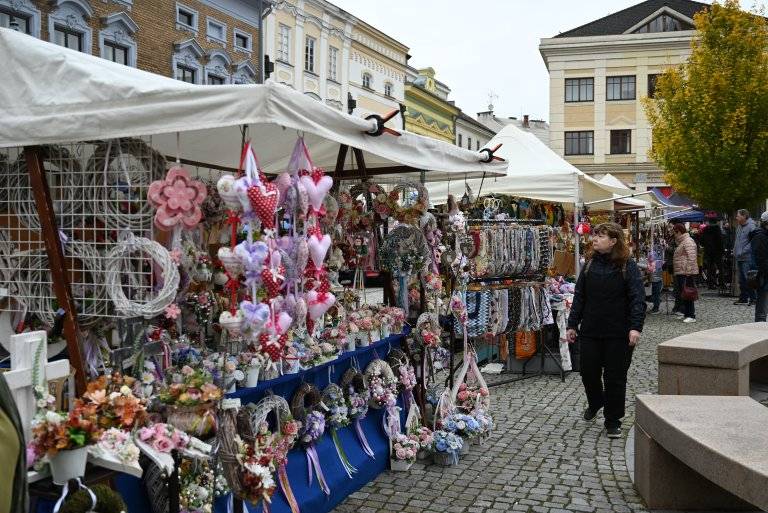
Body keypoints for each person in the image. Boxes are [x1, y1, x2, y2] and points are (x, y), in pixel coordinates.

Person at [566, 223, 645, 439]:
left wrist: (635, 327)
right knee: (588, 372)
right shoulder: (589, 264)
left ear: (613, 241)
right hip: (591, 329)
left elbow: (637, 299)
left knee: (615, 378)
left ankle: (613, 420)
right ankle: (596, 401)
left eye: (601, 236)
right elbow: (580, 296)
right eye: (595, 236)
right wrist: (572, 324)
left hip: (618, 333)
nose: (595, 239)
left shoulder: (627, 266)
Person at [672, 223, 698, 323]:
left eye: (674, 232)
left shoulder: (688, 241)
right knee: (685, 293)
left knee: (688, 293)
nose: (674, 235)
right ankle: (687, 313)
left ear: (678, 231)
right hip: (682, 271)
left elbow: (692, 257)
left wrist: (688, 271)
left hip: (686, 272)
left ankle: (691, 315)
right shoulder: (683, 241)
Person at [734, 209, 757, 305]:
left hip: (747, 257)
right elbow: (738, 240)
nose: (736, 217)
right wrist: (735, 251)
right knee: (741, 279)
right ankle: (743, 297)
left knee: (749, 278)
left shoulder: (751, 226)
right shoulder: (739, 226)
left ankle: (753, 298)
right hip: (739, 256)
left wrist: (743, 251)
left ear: (744, 216)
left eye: (738, 216)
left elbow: (753, 242)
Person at [749, 211, 768, 322]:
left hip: (764, 273)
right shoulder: (760, 237)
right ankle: (759, 328)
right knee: (762, 307)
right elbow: (761, 258)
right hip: (763, 275)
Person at [700, 215, 724, 289]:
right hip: (717, 251)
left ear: (709, 222)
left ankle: (710, 284)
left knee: (710, 268)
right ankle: (721, 283)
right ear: (716, 222)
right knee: (720, 268)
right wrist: (722, 250)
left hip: (708, 251)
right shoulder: (717, 229)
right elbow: (720, 241)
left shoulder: (705, 229)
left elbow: (702, 241)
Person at [648, 247, 664, 313]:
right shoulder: (658, 261)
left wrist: (637, 264)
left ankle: (656, 308)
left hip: (656, 281)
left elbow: (649, 269)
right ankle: (655, 307)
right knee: (656, 294)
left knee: (656, 295)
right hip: (657, 281)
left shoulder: (655, 263)